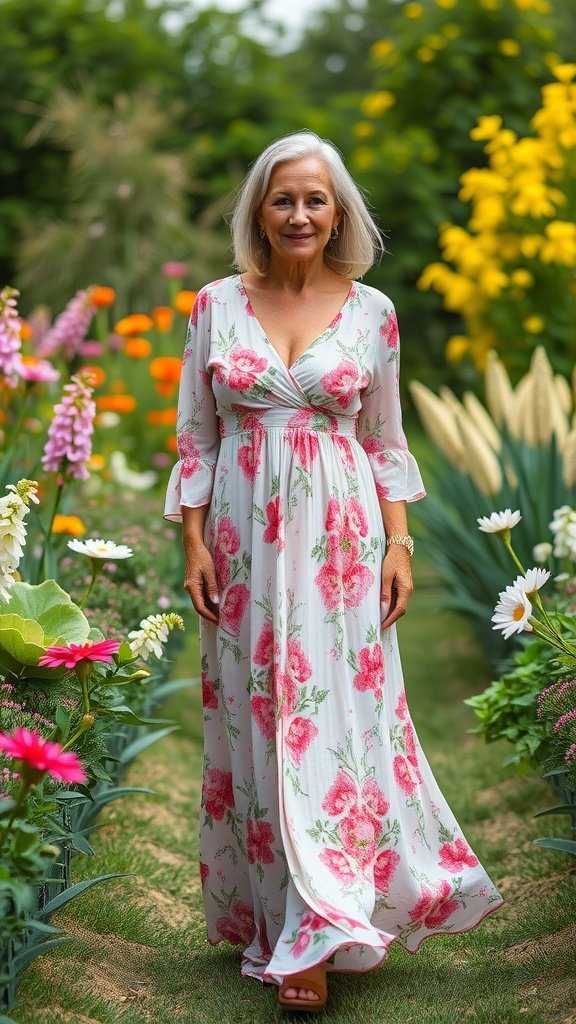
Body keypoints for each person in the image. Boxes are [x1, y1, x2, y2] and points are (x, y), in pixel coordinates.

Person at [164, 131, 503, 1012]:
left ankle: (324, 921)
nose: (300, 214)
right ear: (259, 212)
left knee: (332, 719)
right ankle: (282, 912)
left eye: (316, 199)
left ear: (338, 210)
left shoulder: (372, 312)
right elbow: (196, 436)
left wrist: (399, 546)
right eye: (284, 199)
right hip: (240, 538)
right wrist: (193, 544)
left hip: (342, 542)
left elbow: (384, 441)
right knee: (258, 714)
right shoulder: (214, 305)